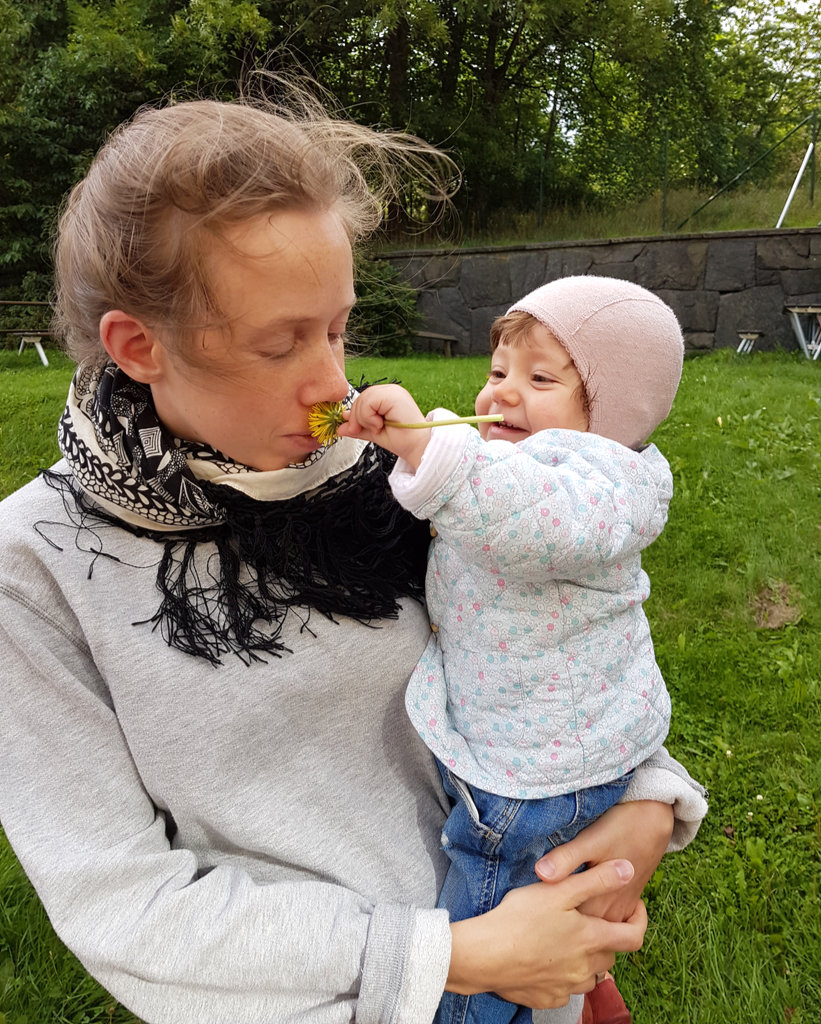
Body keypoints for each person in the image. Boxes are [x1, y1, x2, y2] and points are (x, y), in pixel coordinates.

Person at [0, 88, 706, 1024]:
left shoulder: (402, 474)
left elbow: (565, 628)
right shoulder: (32, 569)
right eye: (281, 342)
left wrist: (651, 801)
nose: (336, 383)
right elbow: (124, 905)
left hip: (541, 967)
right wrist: (449, 956)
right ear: (139, 345)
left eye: (337, 327)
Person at [338, 275, 699, 1024]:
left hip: (532, 776)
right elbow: (494, 480)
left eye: (539, 379)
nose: (501, 393)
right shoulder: (536, 466)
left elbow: (527, 515)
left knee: (491, 929)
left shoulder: (600, 485)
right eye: (498, 371)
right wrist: (438, 442)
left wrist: (423, 447)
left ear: (614, 415)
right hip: (542, 741)